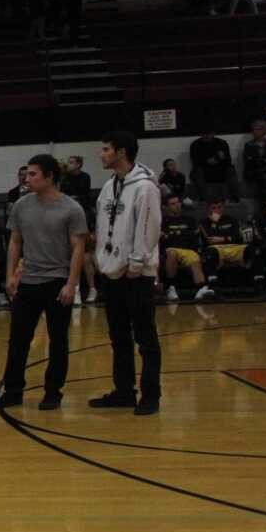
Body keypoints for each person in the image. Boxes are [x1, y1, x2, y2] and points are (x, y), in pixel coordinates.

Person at [0, 155, 87, 412]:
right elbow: (15, 241)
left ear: (49, 176)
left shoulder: (72, 208)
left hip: (57, 281)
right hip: (28, 281)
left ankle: (53, 392)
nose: (27, 178)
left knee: (58, 340)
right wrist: (10, 275)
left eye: (33, 174)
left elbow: (78, 248)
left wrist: (71, 284)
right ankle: (13, 391)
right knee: (18, 339)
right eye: (27, 174)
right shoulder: (21, 205)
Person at [91, 130, 163, 415]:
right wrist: (102, 259)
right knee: (118, 335)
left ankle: (151, 395)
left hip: (137, 273)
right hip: (112, 271)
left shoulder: (145, 186)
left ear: (121, 152)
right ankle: (123, 391)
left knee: (145, 337)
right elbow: (102, 226)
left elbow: (149, 227)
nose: (101, 154)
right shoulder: (109, 186)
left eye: (106, 149)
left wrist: (136, 263)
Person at [159, 192, 213, 302]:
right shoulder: (163, 221)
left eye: (178, 202)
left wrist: (172, 235)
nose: (177, 205)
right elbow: (163, 238)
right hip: (170, 250)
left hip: (187, 249)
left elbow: (193, 236)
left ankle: (201, 288)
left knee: (194, 258)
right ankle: (171, 287)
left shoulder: (189, 220)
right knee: (172, 252)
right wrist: (179, 235)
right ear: (167, 207)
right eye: (173, 204)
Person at [198, 196, 247, 293]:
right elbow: (210, 240)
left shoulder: (231, 219)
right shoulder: (204, 222)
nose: (217, 210)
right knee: (210, 252)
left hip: (234, 248)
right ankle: (213, 285)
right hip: (216, 249)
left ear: (223, 207)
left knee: (253, 250)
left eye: (219, 207)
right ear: (209, 209)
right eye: (214, 208)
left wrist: (222, 239)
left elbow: (239, 237)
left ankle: (259, 284)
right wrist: (214, 223)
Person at [189, 128, 237, 205]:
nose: (207, 136)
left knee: (231, 169)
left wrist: (220, 159)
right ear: (201, 134)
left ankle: (233, 198)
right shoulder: (195, 144)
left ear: (213, 133)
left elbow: (228, 160)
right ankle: (202, 198)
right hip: (204, 168)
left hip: (220, 167)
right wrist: (208, 161)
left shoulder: (221, 143)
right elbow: (195, 161)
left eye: (209, 134)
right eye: (204, 134)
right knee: (196, 172)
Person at [242, 118, 266, 216]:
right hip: (255, 175)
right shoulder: (249, 145)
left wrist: (264, 162)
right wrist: (263, 161)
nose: (254, 132)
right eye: (253, 129)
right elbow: (248, 162)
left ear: (263, 131)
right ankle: (263, 213)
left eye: (256, 129)